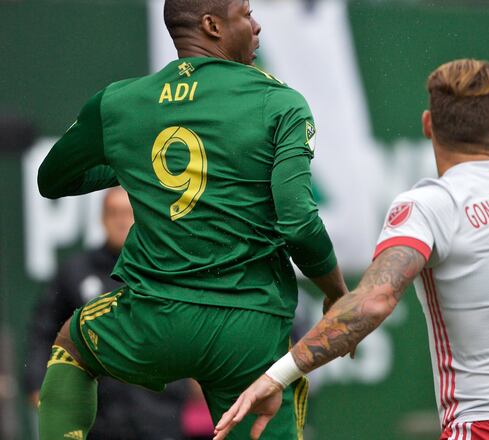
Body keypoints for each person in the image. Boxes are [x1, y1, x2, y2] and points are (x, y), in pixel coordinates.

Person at [214, 59, 489, 440]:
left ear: (428, 124)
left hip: (481, 428)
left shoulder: (430, 205)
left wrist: (278, 375)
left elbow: (373, 302)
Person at [35, 1, 348, 439]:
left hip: (154, 320)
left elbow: (52, 179)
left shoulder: (120, 101)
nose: (257, 25)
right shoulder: (279, 102)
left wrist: (136, 165)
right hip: (249, 328)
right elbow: (298, 222)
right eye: (246, 14)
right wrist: (336, 292)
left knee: (73, 345)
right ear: (212, 25)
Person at [26, 187, 190, 439]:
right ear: (101, 219)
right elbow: (43, 332)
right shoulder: (76, 271)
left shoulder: (165, 270)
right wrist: (37, 383)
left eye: (127, 213)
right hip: (99, 412)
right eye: (113, 213)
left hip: (158, 411)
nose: (121, 221)